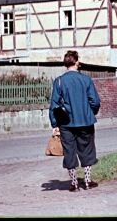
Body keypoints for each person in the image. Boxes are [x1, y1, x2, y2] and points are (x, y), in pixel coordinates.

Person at [49, 50, 101, 192]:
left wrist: (55, 124)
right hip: (85, 121)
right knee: (87, 150)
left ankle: (74, 184)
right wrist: (90, 112)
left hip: (66, 123)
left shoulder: (59, 81)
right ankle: (88, 181)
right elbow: (95, 101)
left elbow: (54, 105)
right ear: (77, 62)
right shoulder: (86, 80)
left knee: (69, 152)